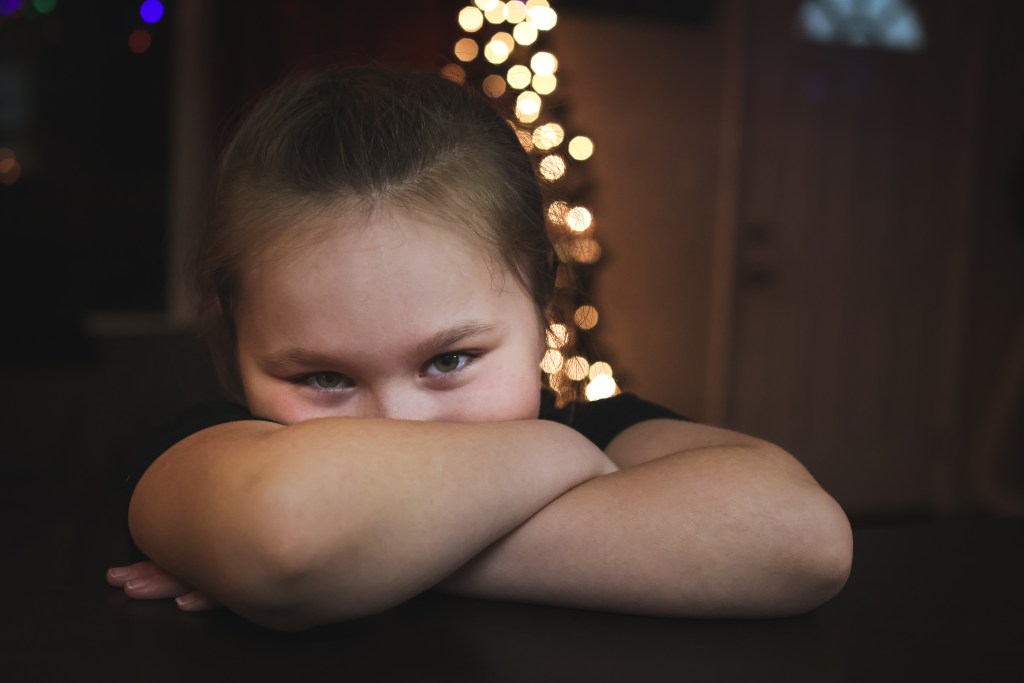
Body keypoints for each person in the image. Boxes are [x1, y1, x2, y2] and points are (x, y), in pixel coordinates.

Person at [106, 66, 852, 631]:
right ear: (236, 341)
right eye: (324, 376)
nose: (395, 427)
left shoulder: (605, 428)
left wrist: (368, 553)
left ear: (540, 301)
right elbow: (290, 535)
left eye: (449, 360)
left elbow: (806, 540)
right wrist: (560, 462)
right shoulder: (203, 442)